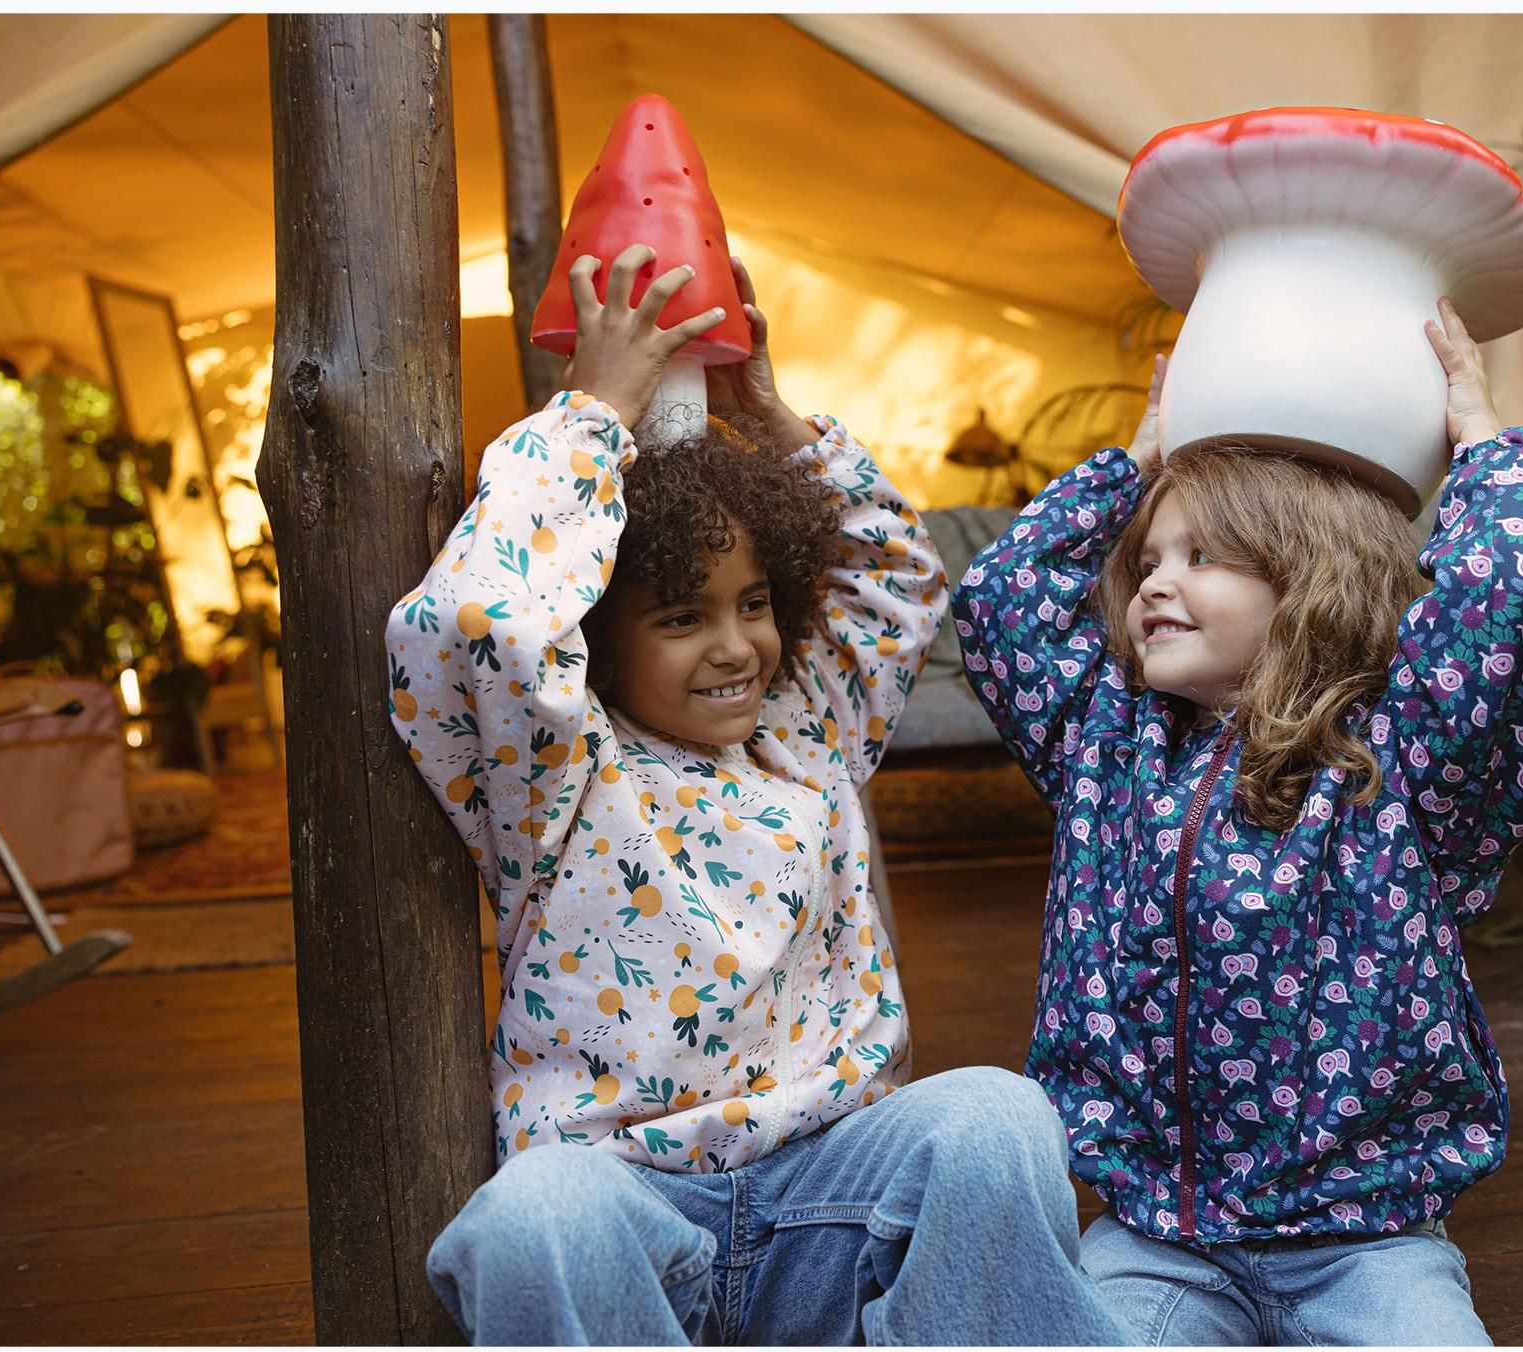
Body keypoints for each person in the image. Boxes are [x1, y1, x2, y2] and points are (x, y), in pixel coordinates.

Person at [385, 244, 1129, 1346]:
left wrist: (767, 415)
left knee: (996, 1117)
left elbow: (898, 578)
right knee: (530, 1218)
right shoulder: (552, 772)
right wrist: (594, 411)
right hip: (635, 1210)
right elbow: (480, 622)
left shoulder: (806, 730)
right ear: (597, 641)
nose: (735, 645)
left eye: (753, 603)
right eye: (681, 617)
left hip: (829, 1198)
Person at [952, 299, 1523, 1345]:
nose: (1156, 582)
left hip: (1366, 1245)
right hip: (1157, 1239)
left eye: (1201, 556)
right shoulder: (1103, 745)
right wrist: (1135, 461)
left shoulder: (1399, 760)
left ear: (1309, 581)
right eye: (1147, 560)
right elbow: (1000, 598)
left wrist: (1481, 443)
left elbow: (1521, 594)